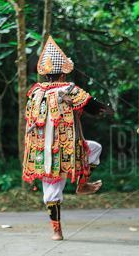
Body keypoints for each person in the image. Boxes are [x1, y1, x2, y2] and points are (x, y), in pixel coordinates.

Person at [22, 36, 112, 241]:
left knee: (51, 190)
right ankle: (82, 184)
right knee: (95, 149)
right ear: (63, 72)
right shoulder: (68, 89)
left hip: (41, 153)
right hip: (67, 150)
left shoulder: (35, 92)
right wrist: (106, 109)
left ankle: (57, 230)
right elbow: (91, 105)